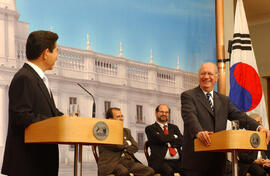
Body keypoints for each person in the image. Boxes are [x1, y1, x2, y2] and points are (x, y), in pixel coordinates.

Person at [180, 62, 270, 176]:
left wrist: (259, 127)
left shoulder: (224, 100)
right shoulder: (188, 96)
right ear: (199, 77)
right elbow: (189, 117)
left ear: (217, 77)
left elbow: (241, 117)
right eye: (203, 74)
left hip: (218, 163)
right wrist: (198, 132)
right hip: (196, 161)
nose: (206, 77)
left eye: (210, 74)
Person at [1, 30, 64, 176]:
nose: (57, 56)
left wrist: (65, 119)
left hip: (40, 164)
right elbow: (22, 117)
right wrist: (56, 121)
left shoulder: (38, 78)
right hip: (27, 165)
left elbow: (47, 112)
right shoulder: (24, 78)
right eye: (56, 51)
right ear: (45, 53)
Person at [97, 107, 154, 176]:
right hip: (111, 163)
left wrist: (124, 145)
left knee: (149, 171)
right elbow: (118, 146)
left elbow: (135, 147)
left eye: (122, 116)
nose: (121, 118)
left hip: (127, 161)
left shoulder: (126, 131)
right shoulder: (104, 132)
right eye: (118, 116)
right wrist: (128, 143)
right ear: (110, 119)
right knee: (123, 172)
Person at [145, 104, 184, 176]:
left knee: (190, 169)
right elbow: (161, 139)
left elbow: (181, 141)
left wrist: (165, 138)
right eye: (161, 112)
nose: (164, 114)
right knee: (169, 171)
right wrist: (174, 137)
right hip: (160, 162)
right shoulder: (150, 128)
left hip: (178, 161)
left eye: (166, 112)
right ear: (156, 113)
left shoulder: (174, 127)